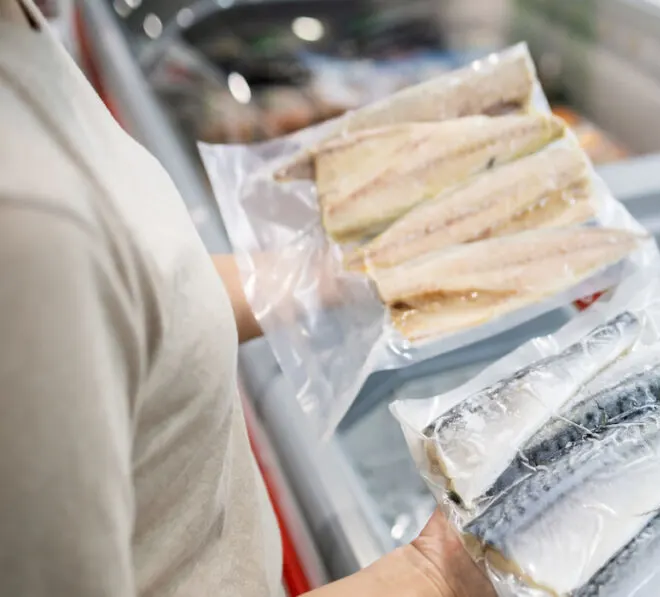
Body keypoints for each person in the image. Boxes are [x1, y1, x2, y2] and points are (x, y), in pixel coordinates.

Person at [0, 1, 494, 595]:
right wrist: (433, 573)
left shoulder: (22, 27)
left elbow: (136, 292)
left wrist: (329, 273)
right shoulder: (28, 224)